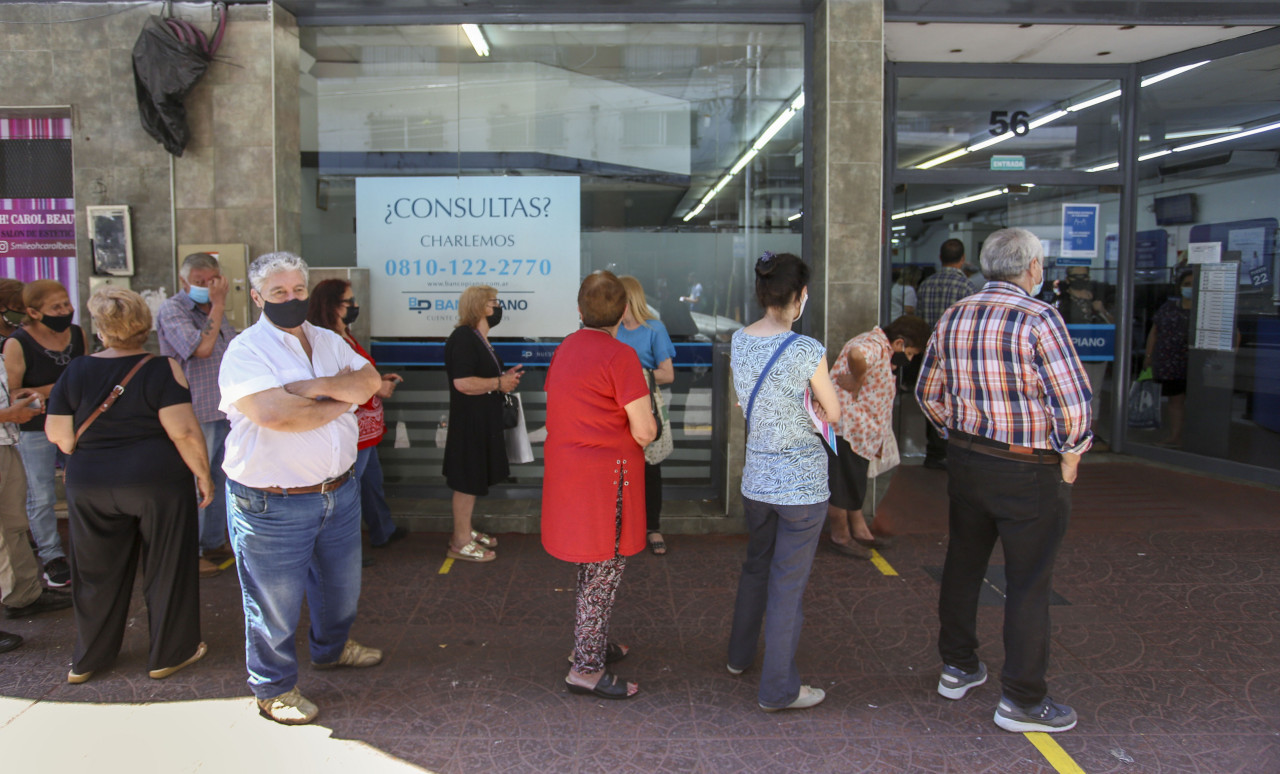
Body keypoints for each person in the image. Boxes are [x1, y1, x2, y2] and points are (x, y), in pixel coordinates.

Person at [915, 227, 1092, 734]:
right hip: (1028, 468)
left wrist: (961, 430)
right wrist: (1072, 453)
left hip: (968, 461)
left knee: (963, 565)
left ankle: (958, 667)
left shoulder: (955, 314)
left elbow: (928, 391)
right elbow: (1073, 402)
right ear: (1032, 268)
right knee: (1029, 583)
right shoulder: (1040, 318)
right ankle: (1021, 700)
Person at [219, 252, 384, 725]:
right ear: (256, 297)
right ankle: (274, 689)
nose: (290, 299)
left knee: (341, 589)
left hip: (339, 491)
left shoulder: (328, 340)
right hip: (272, 502)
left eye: (296, 291)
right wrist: (341, 397)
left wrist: (309, 388)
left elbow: (369, 381)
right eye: (277, 293)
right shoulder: (246, 351)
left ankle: (331, 649)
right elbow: (275, 416)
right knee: (273, 603)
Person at [44, 287, 212, 684]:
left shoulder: (76, 371)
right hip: (156, 481)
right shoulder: (161, 368)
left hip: (90, 484)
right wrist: (203, 475)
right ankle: (171, 653)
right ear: (144, 326)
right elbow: (184, 432)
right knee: (168, 566)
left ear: (100, 329)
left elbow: (61, 436)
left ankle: (88, 660)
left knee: (94, 573)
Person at [727, 252, 840, 712]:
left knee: (756, 566)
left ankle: (738, 656)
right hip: (803, 489)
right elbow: (832, 413)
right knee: (787, 585)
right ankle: (778, 690)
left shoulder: (738, 340)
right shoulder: (807, 350)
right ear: (799, 297)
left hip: (757, 480)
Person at [542, 271, 656, 700]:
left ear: (579, 309)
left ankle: (590, 641)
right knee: (603, 572)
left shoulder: (565, 349)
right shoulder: (621, 356)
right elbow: (644, 430)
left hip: (571, 476)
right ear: (624, 311)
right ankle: (586, 668)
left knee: (590, 567)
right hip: (608, 482)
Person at [307, 279, 407, 559]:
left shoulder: (345, 333)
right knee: (348, 491)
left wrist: (378, 380)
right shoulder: (327, 340)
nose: (355, 306)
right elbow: (340, 384)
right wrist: (378, 386)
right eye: (348, 302)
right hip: (352, 430)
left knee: (371, 483)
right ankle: (344, 550)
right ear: (330, 305)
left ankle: (382, 530)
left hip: (367, 430)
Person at [155, 253, 239, 579]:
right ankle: (188, 554)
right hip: (194, 411)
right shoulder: (173, 310)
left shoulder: (214, 312)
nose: (207, 287)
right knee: (195, 481)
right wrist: (217, 305)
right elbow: (200, 349)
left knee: (221, 478)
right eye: (200, 282)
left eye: (212, 281)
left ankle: (213, 541)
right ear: (184, 281)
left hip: (223, 409)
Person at [2, 279, 88, 588]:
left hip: (75, 425)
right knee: (40, 495)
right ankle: (52, 556)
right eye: (57, 307)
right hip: (34, 429)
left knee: (82, 487)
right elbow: (15, 394)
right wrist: (60, 389)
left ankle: (85, 547)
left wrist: (48, 391)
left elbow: (85, 376)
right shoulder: (17, 343)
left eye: (66, 304)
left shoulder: (76, 334)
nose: (66, 311)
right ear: (33, 312)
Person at [825, 314, 931, 558]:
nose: (909, 358)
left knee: (853, 482)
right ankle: (840, 536)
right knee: (842, 484)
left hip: (858, 431)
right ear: (899, 343)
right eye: (911, 353)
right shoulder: (874, 345)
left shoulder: (880, 346)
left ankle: (860, 531)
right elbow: (856, 355)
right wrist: (856, 379)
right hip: (847, 428)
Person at [443, 285, 523, 563]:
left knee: (474, 478)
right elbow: (463, 382)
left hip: (481, 422)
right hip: (469, 424)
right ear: (479, 306)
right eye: (494, 302)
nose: (498, 307)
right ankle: (459, 541)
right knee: (466, 481)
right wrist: (499, 383)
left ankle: (465, 531)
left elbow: (482, 376)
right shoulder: (464, 338)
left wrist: (504, 378)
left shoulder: (478, 339)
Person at [0, 340, 73, 644]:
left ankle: (23, 595)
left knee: (13, 527)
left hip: (6, 443)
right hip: (6, 433)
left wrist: (15, 405)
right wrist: (6, 415)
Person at [616, 275, 677, 556]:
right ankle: (621, 527)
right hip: (615, 409)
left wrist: (635, 375)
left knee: (650, 468)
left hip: (644, 405)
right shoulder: (611, 329)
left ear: (630, 300)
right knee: (618, 469)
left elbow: (667, 374)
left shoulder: (654, 329)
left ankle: (653, 527)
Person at [915, 239, 973, 470]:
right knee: (955, 399)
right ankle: (952, 449)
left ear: (940, 258)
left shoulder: (926, 285)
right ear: (962, 259)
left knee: (930, 397)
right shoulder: (967, 288)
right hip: (957, 355)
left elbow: (919, 321)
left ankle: (933, 451)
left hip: (929, 351)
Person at [1056, 266, 1114, 448]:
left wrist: (1101, 310)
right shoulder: (1061, 300)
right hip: (1070, 354)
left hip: (1096, 351)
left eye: (1085, 276)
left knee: (1093, 393)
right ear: (1068, 279)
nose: (1081, 279)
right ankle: (1071, 434)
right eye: (1076, 276)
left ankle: (1092, 434)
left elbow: (1114, 323)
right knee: (1070, 393)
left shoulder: (1099, 298)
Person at [1143, 268, 1193, 447]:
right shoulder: (1169, 307)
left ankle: (1196, 438)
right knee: (1175, 400)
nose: (1190, 288)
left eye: (1194, 284)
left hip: (1197, 363)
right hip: (1171, 363)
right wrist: (1148, 356)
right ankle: (1175, 437)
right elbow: (1154, 332)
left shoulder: (1206, 310)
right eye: (1186, 284)